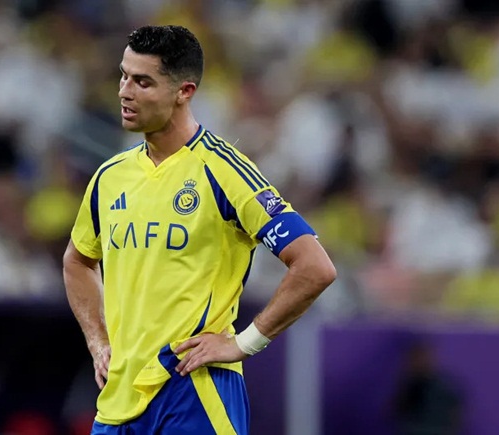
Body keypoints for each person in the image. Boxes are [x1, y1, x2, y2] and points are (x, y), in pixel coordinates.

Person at [62, 25, 337, 434]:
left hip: (195, 391)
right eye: (123, 76)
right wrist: (98, 341)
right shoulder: (110, 176)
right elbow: (78, 262)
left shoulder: (224, 171)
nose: (124, 92)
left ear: (184, 91)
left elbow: (314, 266)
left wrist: (244, 343)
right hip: (118, 401)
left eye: (142, 82)